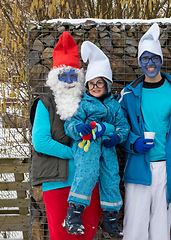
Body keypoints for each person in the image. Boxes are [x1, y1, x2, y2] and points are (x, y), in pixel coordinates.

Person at [118, 23, 171, 240]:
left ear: (161, 60)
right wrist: (133, 142)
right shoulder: (128, 95)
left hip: (167, 170)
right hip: (138, 169)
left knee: (161, 232)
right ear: (139, 61)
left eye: (154, 58)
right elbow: (119, 128)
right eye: (145, 58)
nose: (149, 63)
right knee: (134, 230)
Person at [30, 31, 103, 240]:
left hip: (88, 183)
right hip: (57, 183)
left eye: (73, 76)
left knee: (86, 235)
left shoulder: (88, 101)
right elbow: (41, 142)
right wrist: (74, 152)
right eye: (64, 76)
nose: (69, 81)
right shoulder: (44, 103)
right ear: (55, 78)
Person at [63, 41, 129, 238]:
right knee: (87, 174)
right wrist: (78, 128)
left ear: (107, 84)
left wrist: (117, 136)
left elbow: (123, 126)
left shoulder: (115, 106)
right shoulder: (83, 104)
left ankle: (110, 219)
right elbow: (69, 125)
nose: (95, 87)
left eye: (99, 83)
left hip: (107, 149)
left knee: (111, 179)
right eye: (91, 84)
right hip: (87, 147)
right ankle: (73, 215)